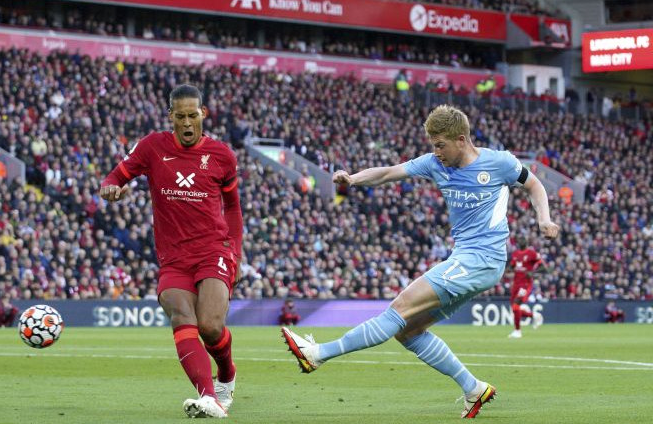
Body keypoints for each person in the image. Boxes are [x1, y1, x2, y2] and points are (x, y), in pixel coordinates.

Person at [281, 105, 560, 419]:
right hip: (467, 259)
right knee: (408, 330)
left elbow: (534, 185)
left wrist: (543, 219)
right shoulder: (434, 163)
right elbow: (388, 173)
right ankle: (473, 388)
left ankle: (317, 354)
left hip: (483, 258)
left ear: (461, 139)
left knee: (400, 307)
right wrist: (353, 179)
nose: (436, 151)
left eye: (440, 144)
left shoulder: (500, 162)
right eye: (432, 145)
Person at [100, 84, 243, 418]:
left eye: (193, 115)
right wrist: (109, 189)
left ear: (203, 114)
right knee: (181, 315)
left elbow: (233, 209)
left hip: (213, 250)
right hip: (173, 258)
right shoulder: (152, 147)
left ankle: (227, 374)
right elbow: (115, 177)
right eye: (180, 117)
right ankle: (209, 397)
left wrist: (234, 251)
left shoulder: (222, 155)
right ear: (171, 117)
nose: (187, 122)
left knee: (210, 327)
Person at [507, 236, 545, 338]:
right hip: (516, 284)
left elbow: (543, 267)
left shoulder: (532, 253)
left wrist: (532, 272)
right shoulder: (515, 254)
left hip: (525, 284)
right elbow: (512, 266)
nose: (521, 241)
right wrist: (509, 269)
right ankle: (535, 316)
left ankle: (517, 331)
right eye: (520, 239)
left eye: (523, 239)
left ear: (526, 242)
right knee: (515, 309)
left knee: (516, 306)